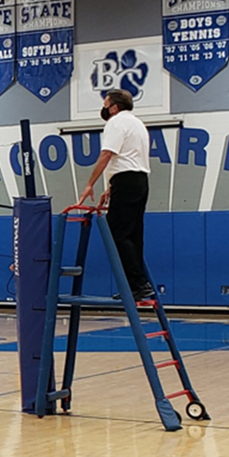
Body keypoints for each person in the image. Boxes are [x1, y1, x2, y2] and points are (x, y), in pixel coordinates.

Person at [79, 88, 153, 301]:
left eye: (105, 104)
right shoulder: (137, 123)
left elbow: (107, 154)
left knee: (117, 232)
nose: (103, 108)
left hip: (127, 181)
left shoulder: (115, 122)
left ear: (114, 107)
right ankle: (137, 284)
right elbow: (131, 158)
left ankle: (137, 284)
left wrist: (89, 184)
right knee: (133, 233)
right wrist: (111, 186)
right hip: (139, 181)